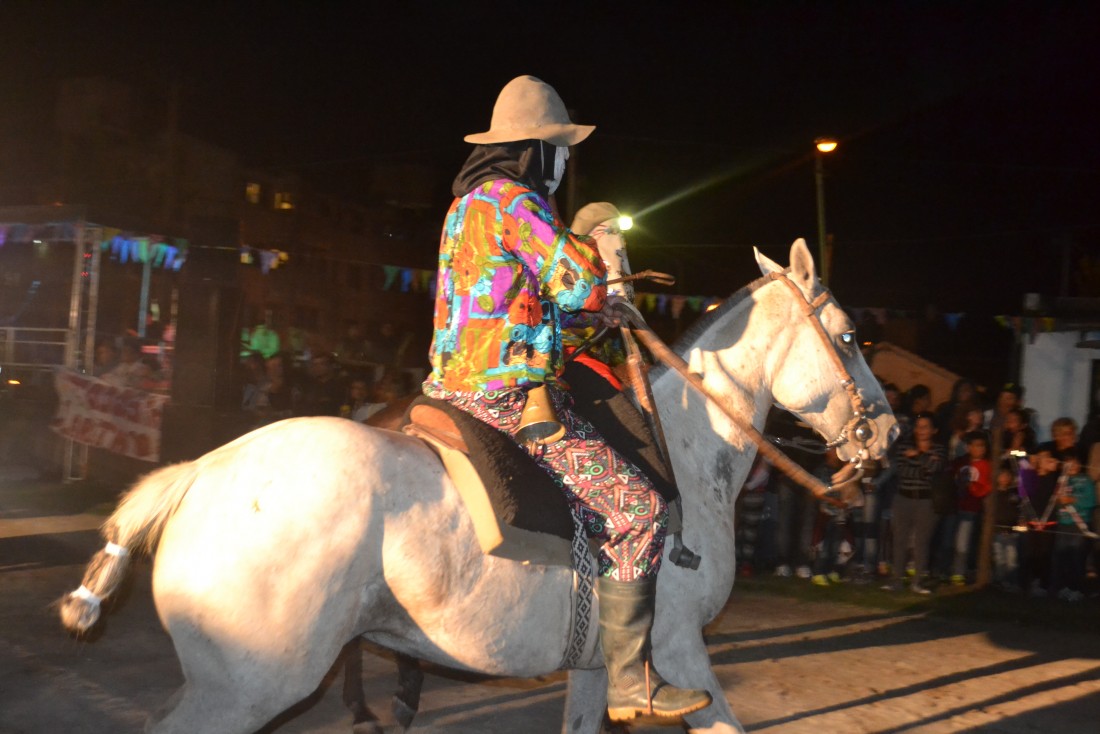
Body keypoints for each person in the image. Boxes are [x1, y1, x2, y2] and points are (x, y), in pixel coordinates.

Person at [422, 75, 710, 721]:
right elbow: (576, 279)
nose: (565, 161)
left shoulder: (464, 206)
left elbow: (516, 308)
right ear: (535, 150)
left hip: (450, 382)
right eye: (560, 149)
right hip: (503, 397)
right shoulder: (516, 200)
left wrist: (589, 318)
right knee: (637, 510)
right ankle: (631, 683)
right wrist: (603, 277)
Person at [882, 411, 944, 594]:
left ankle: (917, 582)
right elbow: (904, 471)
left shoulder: (939, 449)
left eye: (926, 427)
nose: (921, 430)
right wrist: (925, 460)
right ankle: (897, 581)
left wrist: (916, 456)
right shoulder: (904, 447)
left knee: (921, 542)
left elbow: (934, 470)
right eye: (919, 426)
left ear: (934, 430)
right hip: (903, 498)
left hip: (926, 500)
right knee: (899, 541)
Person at [1049, 456, 1097, 602]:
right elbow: (1054, 502)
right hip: (1064, 523)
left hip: (1079, 524)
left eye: (1075, 462)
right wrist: (1059, 500)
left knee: (1077, 557)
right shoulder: (1062, 481)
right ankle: (1061, 588)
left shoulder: (1087, 480)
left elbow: (1091, 501)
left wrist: (1072, 500)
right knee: (1060, 557)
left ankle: (1077, 589)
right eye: (1068, 463)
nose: (1072, 465)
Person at [948, 431, 992, 585]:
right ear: (968, 447)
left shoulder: (986, 465)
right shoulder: (960, 462)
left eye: (982, 446)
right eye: (976, 446)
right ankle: (945, 569)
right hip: (953, 507)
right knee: (949, 539)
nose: (980, 449)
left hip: (970, 509)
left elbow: (986, 487)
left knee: (962, 541)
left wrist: (973, 487)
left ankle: (958, 572)